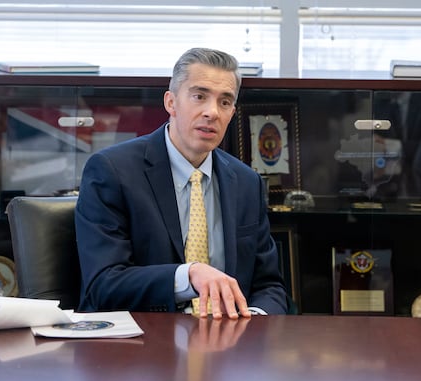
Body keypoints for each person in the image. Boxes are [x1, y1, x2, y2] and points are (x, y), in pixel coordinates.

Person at [75, 47, 287, 319]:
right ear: (171, 102)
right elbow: (103, 284)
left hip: (228, 345)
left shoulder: (247, 182)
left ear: (232, 112)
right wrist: (188, 275)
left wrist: (252, 322)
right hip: (143, 345)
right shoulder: (112, 171)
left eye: (224, 102)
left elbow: (269, 286)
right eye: (199, 96)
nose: (212, 112)